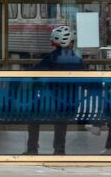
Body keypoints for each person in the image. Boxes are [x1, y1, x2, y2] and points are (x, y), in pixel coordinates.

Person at [23, 23, 85, 155]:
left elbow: (34, 77)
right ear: (71, 43)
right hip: (69, 108)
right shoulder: (78, 62)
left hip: (46, 108)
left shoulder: (49, 59)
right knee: (61, 114)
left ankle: (32, 149)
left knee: (34, 114)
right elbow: (88, 84)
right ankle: (59, 149)